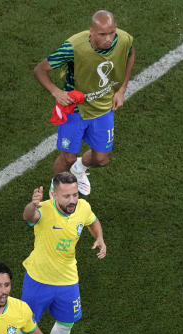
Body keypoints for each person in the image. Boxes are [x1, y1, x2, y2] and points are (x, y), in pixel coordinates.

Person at [34, 10, 135, 196]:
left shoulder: (123, 39)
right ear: (91, 32)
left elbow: (130, 53)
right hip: (75, 110)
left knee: (102, 159)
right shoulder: (73, 47)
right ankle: (57, 191)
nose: (109, 39)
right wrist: (56, 92)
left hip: (103, 108)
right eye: (102, 34)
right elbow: (40, 69)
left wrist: (122, 89)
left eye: (112, 32)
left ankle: (79, 169)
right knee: (67, 158)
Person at [11, 174, 105, 334]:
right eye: (66, 196)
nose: (72, 200)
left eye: (75, 194)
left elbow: (92, 221)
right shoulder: (43, 209)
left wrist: (100, 238)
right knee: (26, 324)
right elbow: (28, 217)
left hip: (68, 279)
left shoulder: (83, 207)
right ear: (53, 195)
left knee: (66, 323)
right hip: (38, 278)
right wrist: (32, 205)